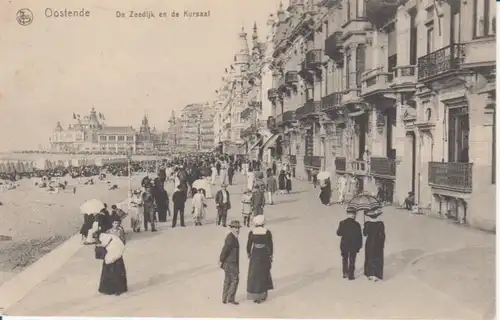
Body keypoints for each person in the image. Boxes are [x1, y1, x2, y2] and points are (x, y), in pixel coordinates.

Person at [246, 215, 273, 304]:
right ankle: (264, 295)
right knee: (264, 273)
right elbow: (270, 245)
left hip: (255, 253)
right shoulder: (267, 232)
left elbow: (249, 246)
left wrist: (249, 254)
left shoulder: (252, 232)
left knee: (255, 275)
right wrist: (270, 255)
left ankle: (256, 296)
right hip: (264, 253)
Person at [96, 227, 128, 296]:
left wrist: (107, 259)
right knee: (117, 273)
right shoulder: (110, 237)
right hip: (117, 256)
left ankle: (110, 289)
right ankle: (118, 289)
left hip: (114, 256)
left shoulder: (104, 239)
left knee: (112, 273)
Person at [336, 207, 362, 280]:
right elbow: (359, 237)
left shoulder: (342, 223)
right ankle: (351, 275)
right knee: (352, 260)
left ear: (347, 214)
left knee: (344, 259)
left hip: (344, 245)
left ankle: (345, 272)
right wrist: (359, 246)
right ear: (354, 215)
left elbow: (338, 233)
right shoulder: (357, 225)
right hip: (354, 245)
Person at [219, 220, 241, 305]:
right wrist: (221, 259)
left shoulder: (233, 236)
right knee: (235, 279)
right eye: (236, 228)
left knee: (228, 280)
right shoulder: (231, 237)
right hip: (231, 262)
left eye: (238, 228)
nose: (238, 229)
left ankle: (224, 298)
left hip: (228, 262)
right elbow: (225, 249)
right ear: (231, 228)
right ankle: (230, 298)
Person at [363, 208, 386, 282]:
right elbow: (383, 235)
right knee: (378, 257)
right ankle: (377, 274)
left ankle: (370, 274)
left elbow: (365, 234)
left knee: (369, 257)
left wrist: (363, 228)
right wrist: (382, 243)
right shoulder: (380, 224)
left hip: (369, 243)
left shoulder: (367, 224)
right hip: (378, 243)